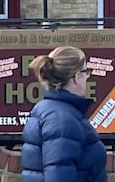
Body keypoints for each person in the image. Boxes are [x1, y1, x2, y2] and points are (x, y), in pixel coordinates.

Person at [21, 46, 107, 182]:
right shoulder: (62, 119)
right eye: (86, 72)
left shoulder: (49, 109)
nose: (87, 77)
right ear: (77, 77)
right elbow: (58, 174)